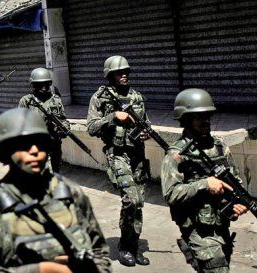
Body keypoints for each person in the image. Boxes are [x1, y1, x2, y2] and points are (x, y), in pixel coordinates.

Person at [0, 108, 112, 273]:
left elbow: (99, 251)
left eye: (40, 143)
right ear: (6, 150)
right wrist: (43, 269)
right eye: (25, 144)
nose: (34, 150)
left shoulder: (70, 192)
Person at [161, 89, 247, 273]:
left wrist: (237, 203)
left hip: (221, 222)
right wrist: (204, 184)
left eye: (207, 116)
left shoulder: (220, 147)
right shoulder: (176, 154)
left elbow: (235, 182)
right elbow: (171, 194)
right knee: (217, 268)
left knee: (223, 263)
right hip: (196, 227)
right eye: (199, 117)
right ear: (186, 120)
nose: (205, 121)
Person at [86, 55, 150, 267]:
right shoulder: (99, 97)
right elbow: (92, 127)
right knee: (131, 199)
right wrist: (114, 116)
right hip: (117, 154)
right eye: (118, 73)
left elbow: (146, 124)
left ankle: (133, 246)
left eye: (126, 72)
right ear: (110, 76)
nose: (124, 75)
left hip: (138, 155)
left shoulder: (137, 97)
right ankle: (124, 246)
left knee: (139, 203)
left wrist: (145, 133)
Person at [18, 67, 70, 173]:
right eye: (39, 84)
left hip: (54, 145)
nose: (43, 87)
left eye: (46, 84)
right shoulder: (26, 101)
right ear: (33, 85)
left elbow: (63, 119)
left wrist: (64, 128)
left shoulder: (56, 99)